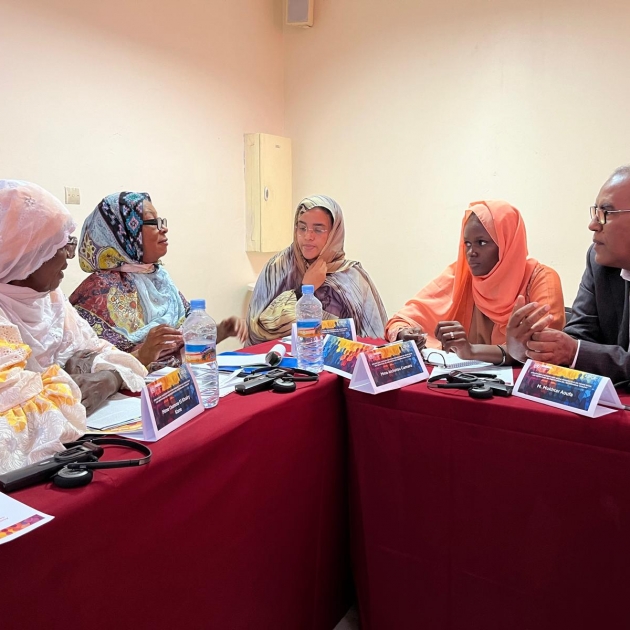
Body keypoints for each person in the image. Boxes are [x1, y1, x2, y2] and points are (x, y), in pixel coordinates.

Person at [0, 180, 147, 474]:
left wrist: (109, 377)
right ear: (25, 254)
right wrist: (66, 384)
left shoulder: (50, 299)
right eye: (59, 245)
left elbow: (104, 353)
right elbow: (17, 431)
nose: (69, 255)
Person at [69, 192, 246, 371]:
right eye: (153, 222)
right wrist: (143, 354)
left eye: (162, 221)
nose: (164, 229)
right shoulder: (97, 290)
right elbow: (90, 370)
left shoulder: (159, 278)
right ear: (125, 233)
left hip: (175, 385)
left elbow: (185, 344)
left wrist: (221, 330)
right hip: (129, 394)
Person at [386, 200, 565, 364]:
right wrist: (406, 334)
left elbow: (542, 347)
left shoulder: (541, 279)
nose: (472, 252)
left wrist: (472, 351)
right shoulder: (462, 275)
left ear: (506, 244)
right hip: (465, 384)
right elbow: (401, 320)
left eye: (481, 242)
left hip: (518, 391)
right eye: (467, 244)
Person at [507, 165, 630, 382]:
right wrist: (537, 346)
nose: (593, 225)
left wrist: (574, 352)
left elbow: (577, 350)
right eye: (595, 212)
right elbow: (579, 336)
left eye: (606, 213)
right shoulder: (599, 262)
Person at [247, 195, 388, 345]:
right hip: (280, 363)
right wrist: (305, 289)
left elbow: (375, 340)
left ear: (335, 233)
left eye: (318, 230)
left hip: (340, 364)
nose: (308, 236)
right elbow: (258, 330)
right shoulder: (277, 268)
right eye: (302, 228)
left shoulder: (352, 276)